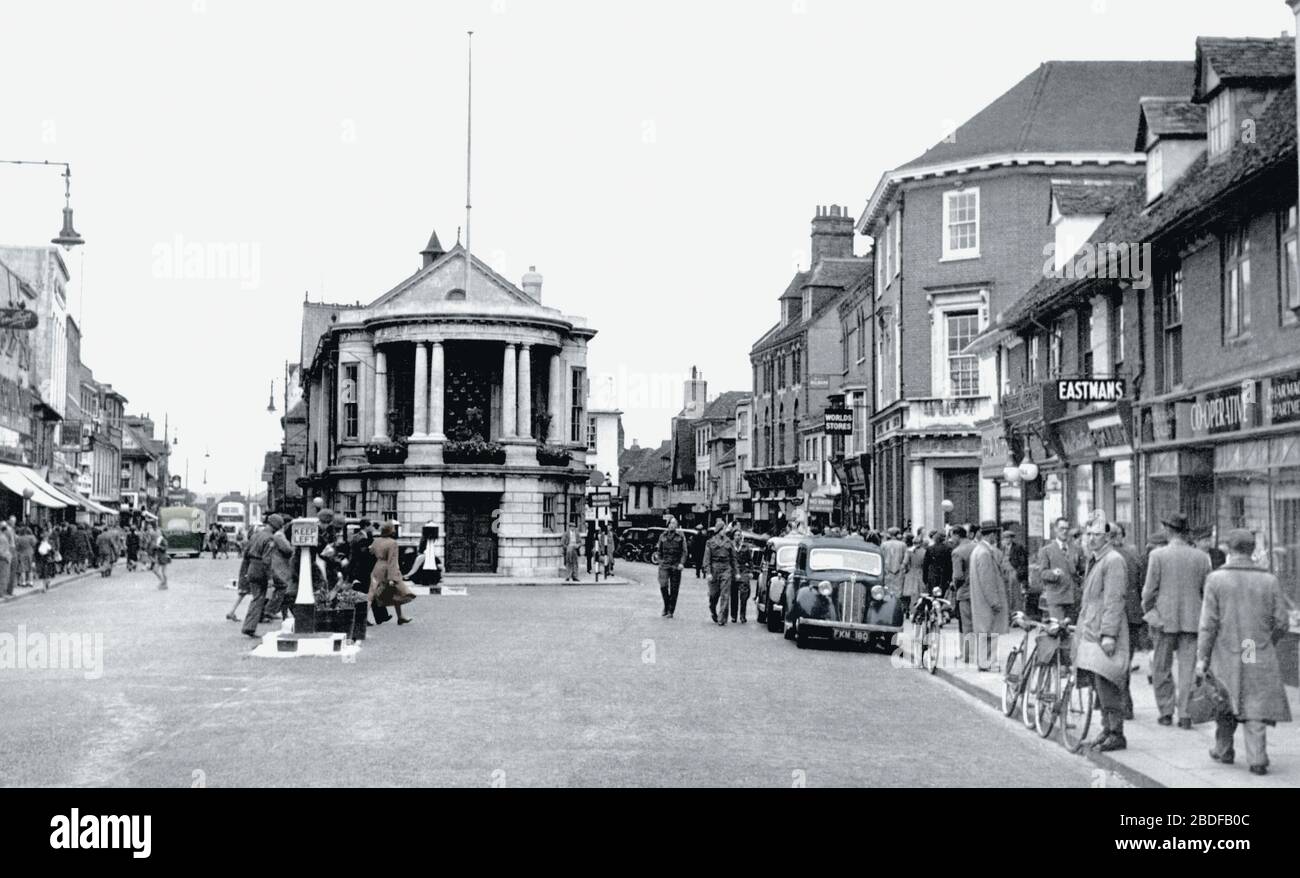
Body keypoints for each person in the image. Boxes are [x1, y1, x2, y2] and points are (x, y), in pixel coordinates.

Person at [1197, 529, 1293, 775]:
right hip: (1252, 647)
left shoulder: (1216, 580)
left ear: (1229, 549)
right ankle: (1257, 758)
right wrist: (1267, 641)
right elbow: (1282, 622)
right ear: (1252, 550)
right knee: (1254, 698)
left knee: (1225, 697)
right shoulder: (1269, 580)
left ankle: (1224, 749)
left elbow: (1208, 624)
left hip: (1227, 649)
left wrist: (1202, 658)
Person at [1142, 511, 1211, 729]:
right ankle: (1185, 714)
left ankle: (1165, 711)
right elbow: (1207, 592)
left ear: (1169, 531)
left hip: (1164, 620)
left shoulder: (1158, 556)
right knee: (1188, 670)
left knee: (1161, 668)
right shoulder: (1201, 557)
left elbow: (1148, 592)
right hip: (1192, 619)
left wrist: (1151, 613)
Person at [1077, 512, 1132, 753]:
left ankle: (1116, 732)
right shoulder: (1098, 559)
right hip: (1093, 630)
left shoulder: (1113, 560)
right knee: (1099, 682)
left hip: (1105, 633)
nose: (1091, 539)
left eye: (1096, 535)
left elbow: (1114, 599)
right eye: (1088, 534)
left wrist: (1109, 634)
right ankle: (1106, 728)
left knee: (1108, 681)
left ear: (1107, 536)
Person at [968, 521, 1009, 672]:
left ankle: (983, 661)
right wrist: (995, 602)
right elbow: (988, 581)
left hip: (980, 599)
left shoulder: (978, 550)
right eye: (995, 535)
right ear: (991, 535)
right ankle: (989, 662)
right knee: (990, 631)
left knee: (984, 631)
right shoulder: (985, 553)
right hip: (987, 600)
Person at [1110, 523, 1144, 671]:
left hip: (1110, 609)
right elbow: (1141, 581)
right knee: (1129, 645)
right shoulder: (1132, 554)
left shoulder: (1103, 556)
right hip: (1132, 607)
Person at [368, 522, 415, 624]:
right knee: (397, 592)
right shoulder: (393, 543)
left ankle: (365, 617)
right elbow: (392, 561)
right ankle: (400, 616)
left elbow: (370, 551)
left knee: (372, 592)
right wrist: (391, 578)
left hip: (377, 567)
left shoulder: (376, 541)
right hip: (388, 569)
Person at [1038, 517, 1082, 623]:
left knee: (1072, 633)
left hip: (1073, 599)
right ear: (1055, 529)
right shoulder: (1046, 550)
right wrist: (1053, 573)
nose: (1065, 531)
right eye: (1062, 528)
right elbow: (1042, 573)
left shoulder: (1076, 549)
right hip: (1056, 598)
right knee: (1058, 631)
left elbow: (1082, 570)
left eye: (1067, 528)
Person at [240, 517, 277, 638]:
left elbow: (246, 553)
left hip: (251, 567)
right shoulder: (270, 538)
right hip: (260, 569)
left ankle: (249, 626)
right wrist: (270, 578)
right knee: (259, 599)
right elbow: (267, 560)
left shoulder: (256, 535)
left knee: (256, 597)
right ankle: (249, 627)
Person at [348, 519, 387, 624]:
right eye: (370, 525)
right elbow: (362, 554)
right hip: (361, 569)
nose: (372, 528)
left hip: (365, 569)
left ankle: (381, 616)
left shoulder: (364, 536)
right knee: (366, 593)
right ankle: (364, 618)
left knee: (372, 591)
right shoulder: (360, 538)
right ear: (366, 526)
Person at [705, 520, 737, 626]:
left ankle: (722, 617)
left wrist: (736, 572)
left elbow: (733, 559)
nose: (725, 531)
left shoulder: (729, 542)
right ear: (718, 530)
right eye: (723, 529)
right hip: (714, 569)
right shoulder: (710, 542)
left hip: (726, 569)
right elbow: (707, 559)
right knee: (713, 595)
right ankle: (713, 610)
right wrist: (708, 572)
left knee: (725, 594)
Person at [655, 517, 688, 618]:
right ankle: (666, 605)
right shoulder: (662, 536)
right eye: (671, 523)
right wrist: (660, 561)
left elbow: (684, 551)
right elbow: (658, 551)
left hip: (675, 565)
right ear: (668, 524)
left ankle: (670, 610)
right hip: (664, 564)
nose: (673, 525)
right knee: (663, 585)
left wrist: (682, 563)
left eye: (675, 523)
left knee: (674, 589)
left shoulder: (681, 536)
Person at [264, 518, 296, 621]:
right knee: (284, 587)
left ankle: (283, 613)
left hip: (278, 566)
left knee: (284, 589)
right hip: (279, 566)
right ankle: (270, 610)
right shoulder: (279, 535)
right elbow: (288, 550)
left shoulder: (277, 535)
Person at [950, 527, 974, 662]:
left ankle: (966, 654)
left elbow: (958, 576)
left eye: (952, 536)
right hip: (979, 591)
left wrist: (955, 585)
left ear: (957, 535)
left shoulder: (957, 552)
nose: (951, 539)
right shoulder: (977, 547)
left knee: (965, 624)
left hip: (964, 592)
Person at [922, 529, 952, 604]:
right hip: (944, 575)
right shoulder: (948, 548)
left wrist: (925, 578)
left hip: (932, 574)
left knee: (932, 596)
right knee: (942, 595)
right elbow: (949, 564)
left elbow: (925, 565)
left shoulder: (930, 549)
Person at [881, 526, 908, 608]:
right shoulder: (903, 545)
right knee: (898, 590)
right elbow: (906, 558)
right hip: (898, 569)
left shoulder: (884, 544)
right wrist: (902, 566)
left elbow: (881, 556)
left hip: (887, 569)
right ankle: (897, 606)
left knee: (887, 588)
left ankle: (887, 606)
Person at [901, 532, 926, 619]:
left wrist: (904, 570)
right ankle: (919, 611)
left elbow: (905, 563)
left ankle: (910, 611)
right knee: (919, 593)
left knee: (910, 594)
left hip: (911, 573)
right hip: (921, 572)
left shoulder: (909, 551)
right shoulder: (924, 552)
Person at [729, 523, 751, 623]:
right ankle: (733, 615)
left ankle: (742, 615)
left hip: (743, 572)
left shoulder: (745, 547)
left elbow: (750, 561)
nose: (738, 537)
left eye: (739, 535)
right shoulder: (730, 547)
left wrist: (750, 571)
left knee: (744, 595)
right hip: (733, 572)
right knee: (733, 595)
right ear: (733, 536)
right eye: (736, 535)